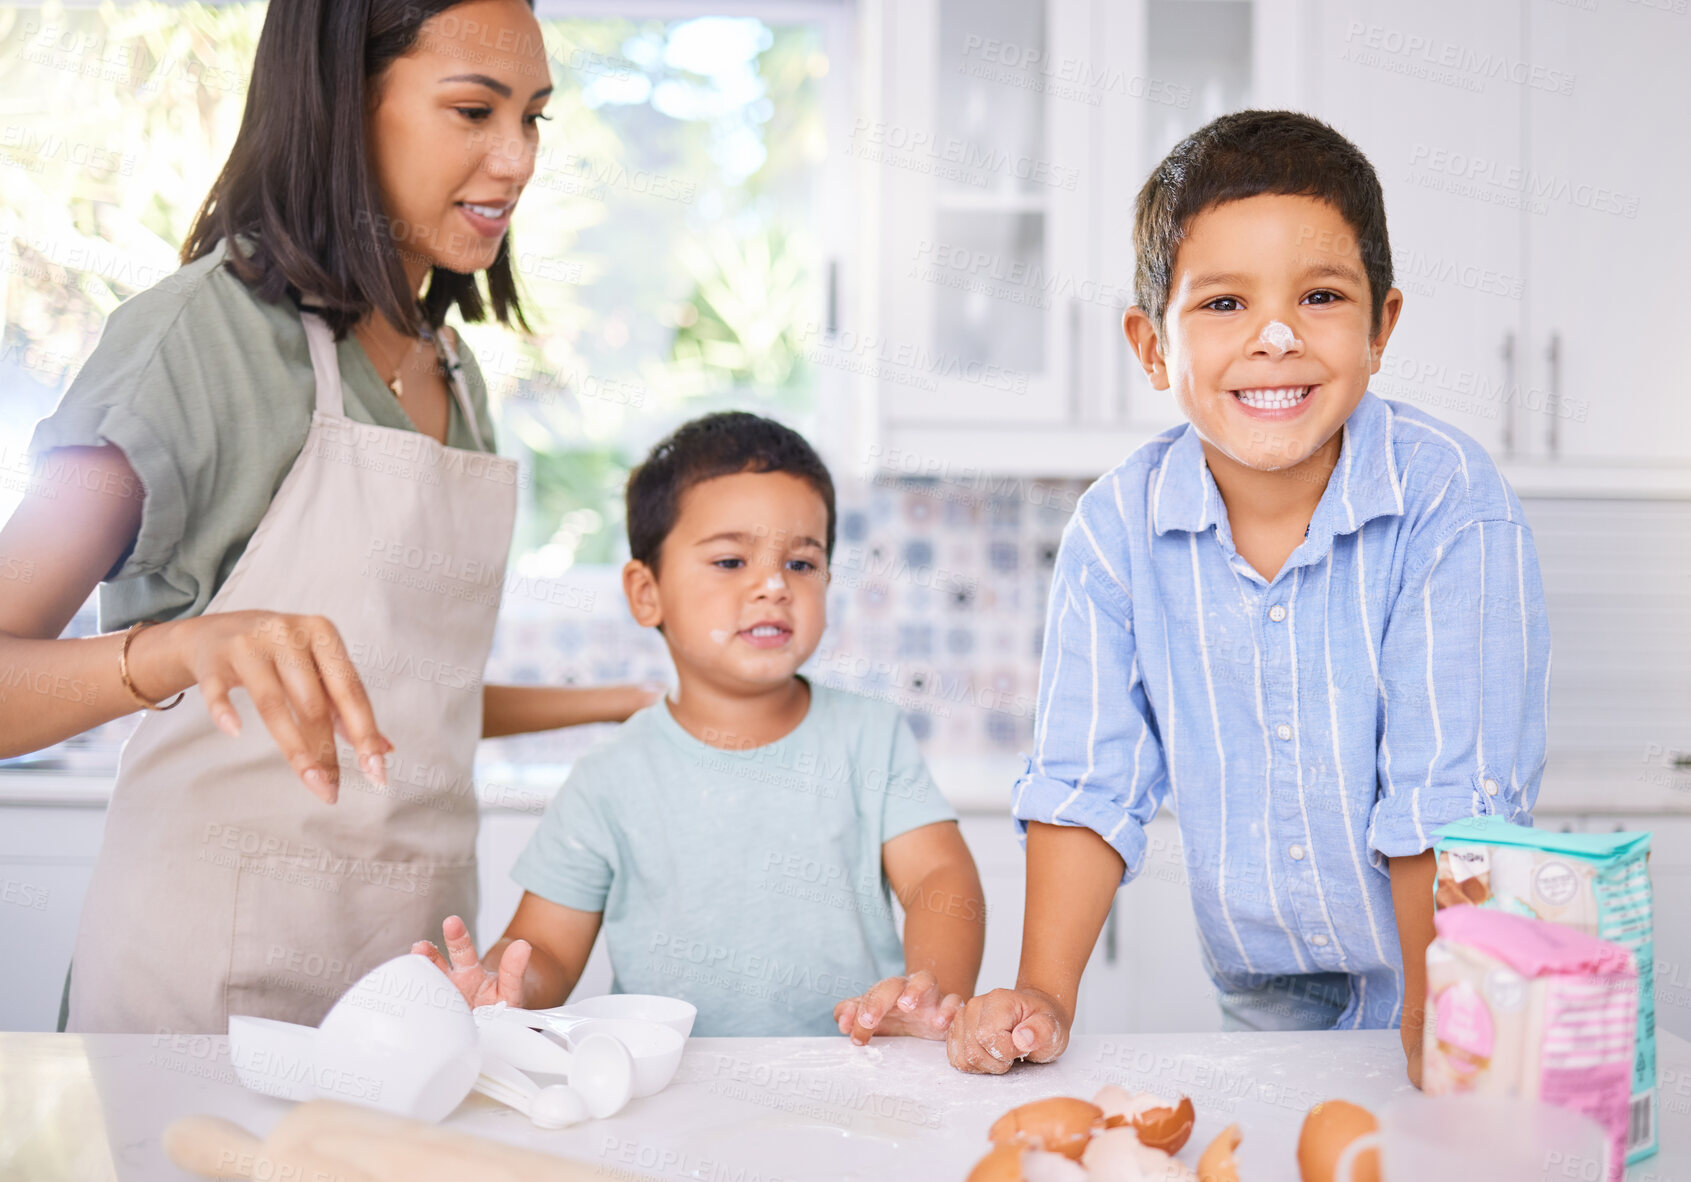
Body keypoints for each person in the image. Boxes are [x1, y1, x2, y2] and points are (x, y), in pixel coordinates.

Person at [0, 0, 651, 1034]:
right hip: (201, 998)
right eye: (474, 110)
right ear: (344, 106)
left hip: (412, 993)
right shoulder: (197, 342)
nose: (517, 157)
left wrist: (620, 705)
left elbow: (399, 698)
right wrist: (178, 650)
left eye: (533, 118)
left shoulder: (453, 374)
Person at [943, 111, 1550, 1084]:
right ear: (1149, 344)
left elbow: (1447, 796)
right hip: (1264, 986)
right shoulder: (1115, 532)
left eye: (1317, 296)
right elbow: (1084, 787)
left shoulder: (1446, 502)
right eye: (1223, 304)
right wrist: (1043, 995)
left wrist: (1442, 1001)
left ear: (1379, 325)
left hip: (1443, 956)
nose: (1274, 338)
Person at [414, 413, 987, 1038]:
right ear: (645, 592)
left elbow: (939, 878)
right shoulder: (610, 778)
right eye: (730, 561)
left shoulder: (870, 738)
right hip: (668, 1090)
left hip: (853, 1082)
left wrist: (928, 990)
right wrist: (507, 988)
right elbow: (545, 945)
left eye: (801, 564)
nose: (772, 586)